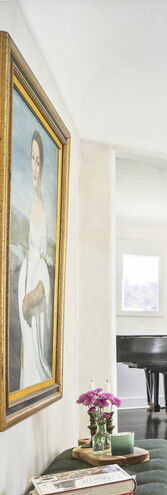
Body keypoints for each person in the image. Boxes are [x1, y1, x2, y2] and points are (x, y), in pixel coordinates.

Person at [16, 130, 52, 388]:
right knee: (26, 350)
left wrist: (38, 287)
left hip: (36, 277)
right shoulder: (31, 201)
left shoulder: (42, 205)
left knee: (36, 360)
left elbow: (42, 253)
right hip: (27, 276)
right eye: (32, 158)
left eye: (39, 160)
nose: (35, 166)